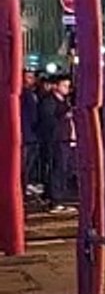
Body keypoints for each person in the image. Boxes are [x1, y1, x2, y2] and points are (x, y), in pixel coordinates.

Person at [42, 75, 76, 213]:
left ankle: (58, 197)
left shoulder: (65, 101)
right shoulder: (49, 101)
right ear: (56, 86)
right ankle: (55, 200)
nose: (67, 88)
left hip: (67, 138)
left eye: (68, 86)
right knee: (58, 168)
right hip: (58, 140)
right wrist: (64, 117)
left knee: (66, 169)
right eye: (64, 85)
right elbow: (47, 121)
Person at [20, 70, 40, 198]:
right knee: (25, 163)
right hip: (28, 134)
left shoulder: (30, 94)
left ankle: (26, 184)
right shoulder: (27, 95)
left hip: (29, 134)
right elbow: (33, 116)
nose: (31, 80)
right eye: (28, 77)